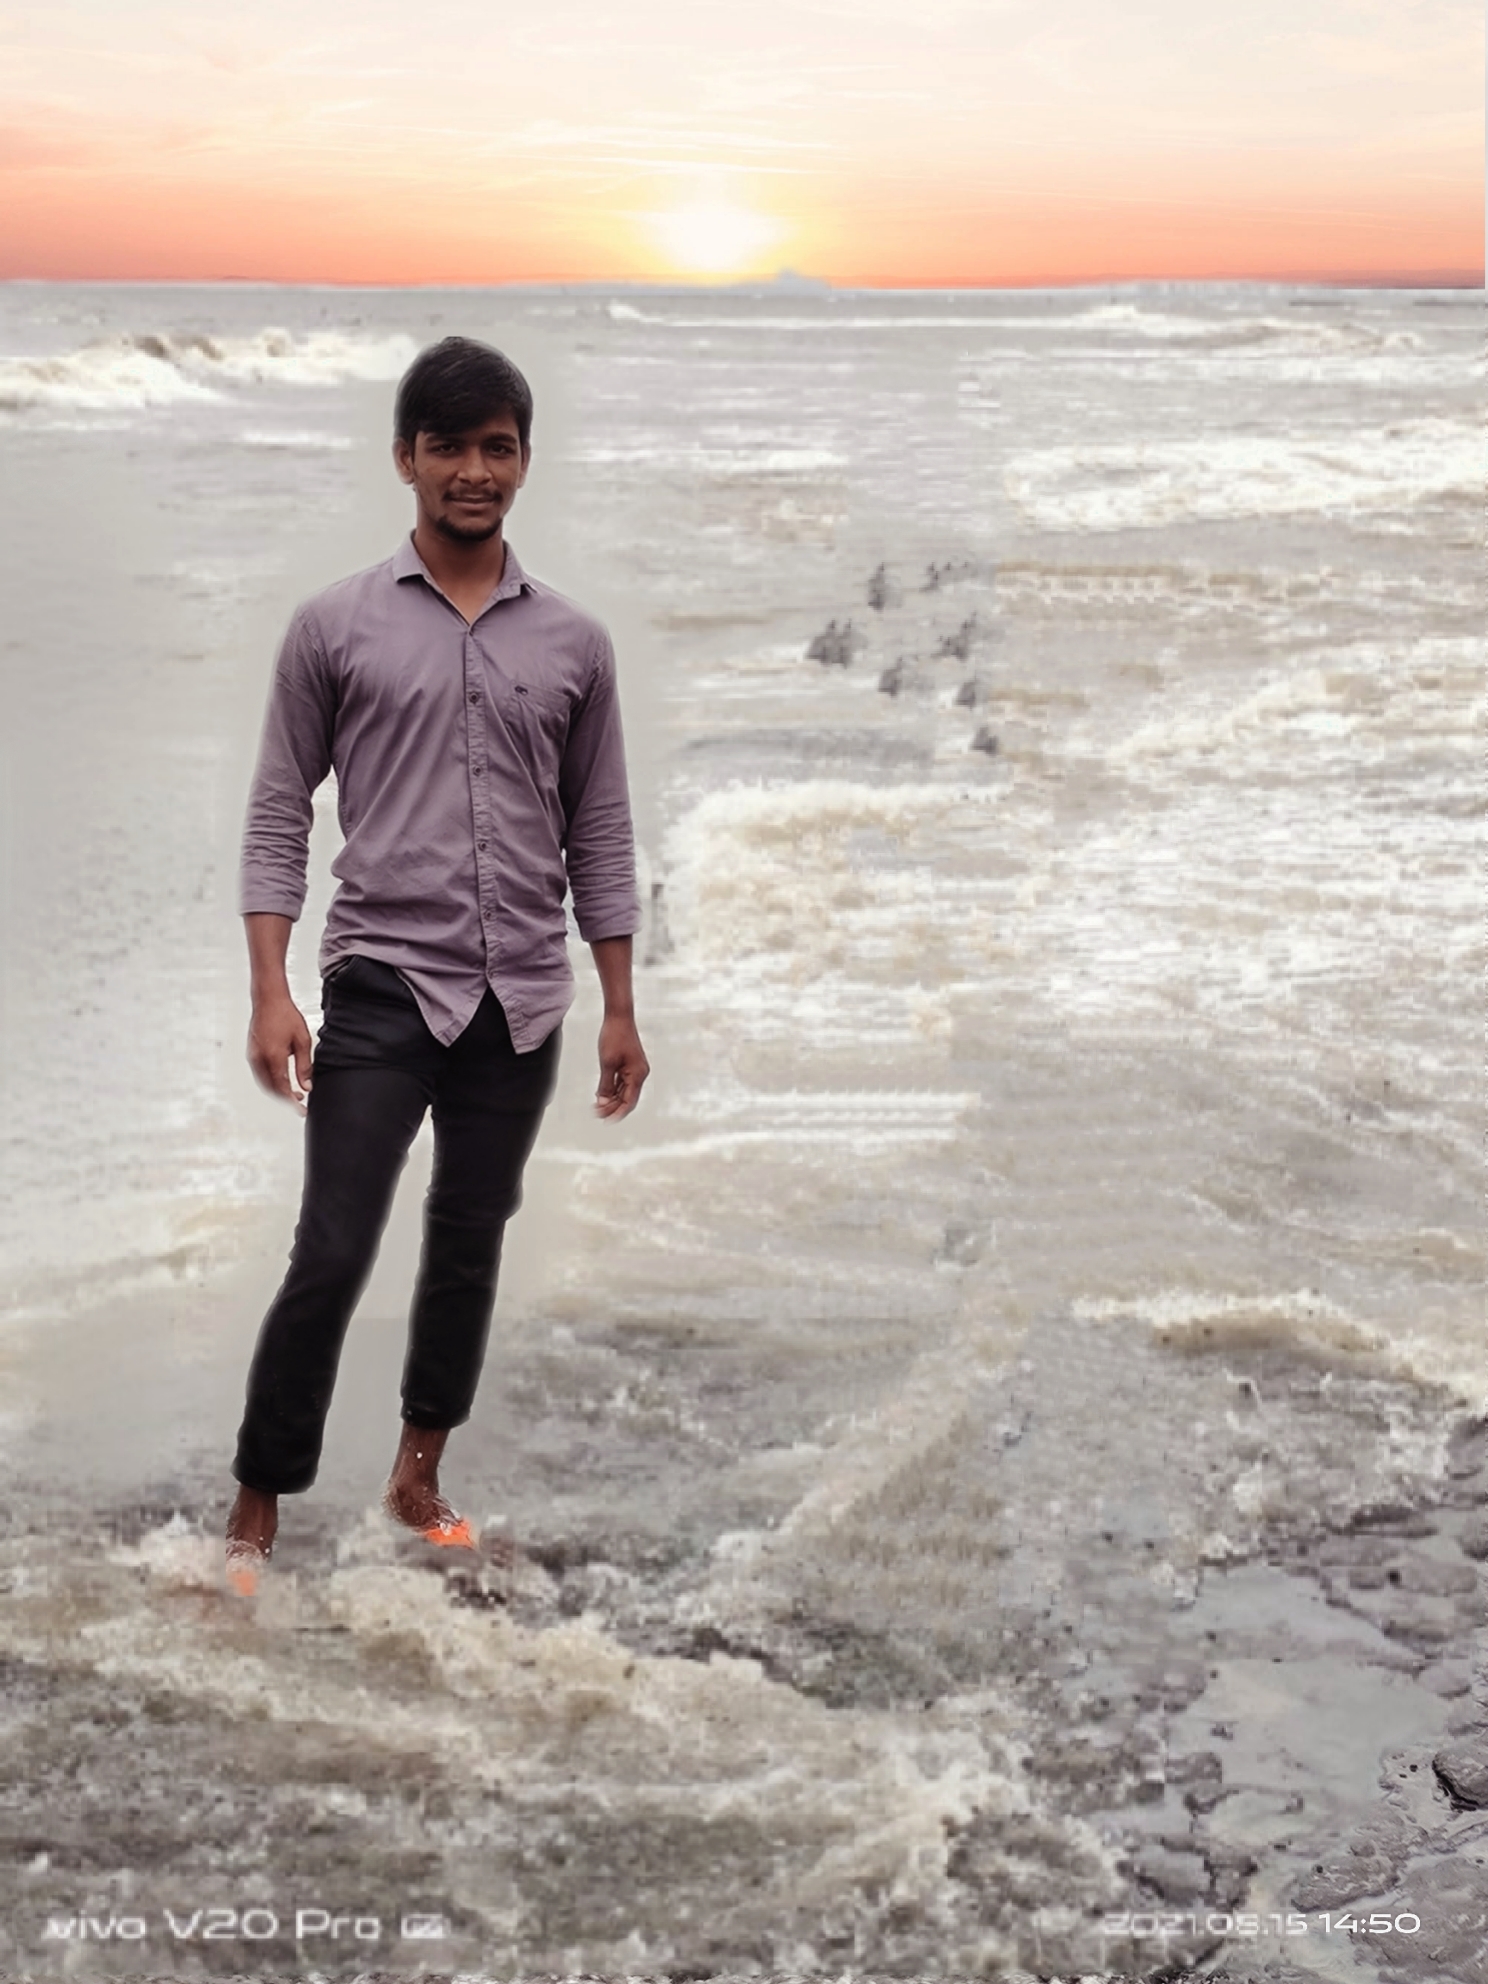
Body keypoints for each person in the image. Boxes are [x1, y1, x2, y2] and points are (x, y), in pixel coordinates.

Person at [225, 336, 648, 1593]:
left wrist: (620, 1004)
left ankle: (419, 1478)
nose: (475, 470)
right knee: (334, 1247)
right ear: (405, 458)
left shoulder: (575, 644)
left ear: (525, 460)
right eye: (449, 445)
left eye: (497, 447)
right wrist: (270, 989)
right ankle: (255, 1506)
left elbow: (601, 831)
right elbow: (278, 811)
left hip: (521, 998)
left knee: (470, 1237)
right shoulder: (334, 627)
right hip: (382, 982)